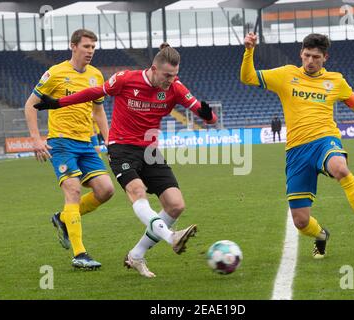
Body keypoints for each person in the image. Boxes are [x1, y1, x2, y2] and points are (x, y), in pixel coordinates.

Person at [33, 43, 218, 277]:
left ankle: (136, 256)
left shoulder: (176, 88)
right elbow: (94, 93)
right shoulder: (125, 79)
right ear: (153, 68)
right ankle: (172, 237)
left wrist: (207, 115)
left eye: (175, 75)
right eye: (167, 75)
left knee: (176, 205)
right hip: (121, 147)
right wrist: (58, 103)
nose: (171, 80)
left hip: (150, 150)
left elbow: (207, 116)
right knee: (136, 190)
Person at [240, 33, 354, 259]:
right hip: (296, 152)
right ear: (301, 53)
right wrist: (249, 51)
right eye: (306, 56)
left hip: (325, 139)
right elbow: (247, 77)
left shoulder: (336, 81)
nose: (310, 61)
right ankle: (321, 235)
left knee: (340, 168)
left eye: (316, 57)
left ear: (325, 57)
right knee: (301, 221)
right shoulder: (287, 74)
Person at [24, 29, 115, 270]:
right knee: (73, 190)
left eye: (93, 47)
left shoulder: (96, 76)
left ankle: (63, 218)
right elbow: (30, 105)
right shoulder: (55, 73)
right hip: (61, 142)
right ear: (73, 46)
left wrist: (109, 141)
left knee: (106, 190)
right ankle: (80, 254)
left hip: (86, 143)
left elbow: (98, 112)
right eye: (86, 46)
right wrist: (36, 138)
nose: (91, 51)